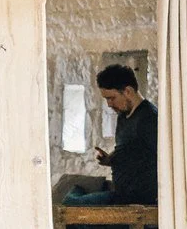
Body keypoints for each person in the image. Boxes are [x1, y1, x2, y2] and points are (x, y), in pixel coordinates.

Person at [67, 64, 158, 206]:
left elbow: (159, 159)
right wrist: (111, 160)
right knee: (70, 190)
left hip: (137, 200)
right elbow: (133, 152)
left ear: (128, 91)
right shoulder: (123, 116)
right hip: (121, 194)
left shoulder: (149, 118)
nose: (109, 104)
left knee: (70, 203)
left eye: (112, 98)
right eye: (106, 99)